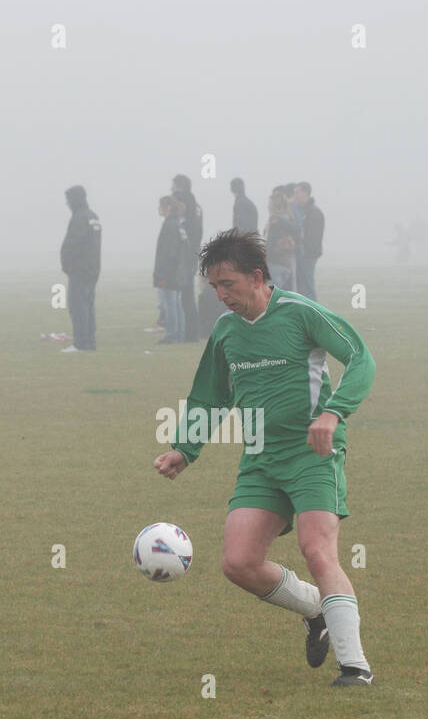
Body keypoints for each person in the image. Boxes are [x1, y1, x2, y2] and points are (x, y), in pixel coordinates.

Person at [154, 230, 377, 686]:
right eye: (214, 287)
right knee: (238, 563)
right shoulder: (225, 331)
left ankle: (355, 667)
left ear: (257, 277)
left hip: (312, 454)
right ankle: (316, 611)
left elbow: (360, 358)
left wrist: (333, 414)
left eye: (228, 285)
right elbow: (208, 397)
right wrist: (185, 449)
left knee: (316, 549)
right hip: (259, 458)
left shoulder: (300, 313)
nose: (220, 296)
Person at [59, 185, 101, 352]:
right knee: (88, 307)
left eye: (68, 200)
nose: (67, 204)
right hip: (92, 269)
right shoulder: (93, 216)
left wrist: (67, 264)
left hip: (80, 270)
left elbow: (74, 245)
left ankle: (81, 343)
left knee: (78, 307)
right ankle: (89, 342)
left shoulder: (79, 218)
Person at [171, 175, 203, 341]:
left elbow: (190, 239)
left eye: (173, 186)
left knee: (186, 296)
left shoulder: (188, 217)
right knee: (187, 295)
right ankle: (190, 332)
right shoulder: (196, 209)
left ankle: (190, 333)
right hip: (191, 257)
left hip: (187, 259)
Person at [153, 196, 188, 344]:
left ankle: (172, 335)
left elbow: (168, 252)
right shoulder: (178, 225)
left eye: (160, 206)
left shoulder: (169, 225)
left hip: (170, 272)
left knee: (170, 303)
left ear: (167, 207)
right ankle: (179, 334)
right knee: (177, 303)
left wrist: (162, 273)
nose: (158, 209)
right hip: (179, 271)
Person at [293, 182, 324, 301]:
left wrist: (305, 252)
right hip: (304, 254)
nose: (295, 195)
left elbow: (312, 237)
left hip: (308, 255)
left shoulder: (313, 212)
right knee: (303, 286)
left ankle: (314, 313)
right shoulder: (303, 211)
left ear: (305, 192)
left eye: (297, 192)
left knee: (308, 286)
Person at [265, 193, 300, 290]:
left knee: (272, 296)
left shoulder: (274, 221)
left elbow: (270, 244)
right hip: (287, 262)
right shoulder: (290, 220)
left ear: (273, 205)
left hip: (275, 262)